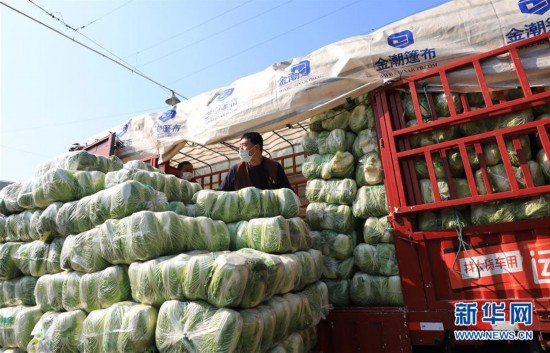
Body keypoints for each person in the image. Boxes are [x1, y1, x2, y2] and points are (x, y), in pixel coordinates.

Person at [218, 132, 292, 191]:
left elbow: (287, 191)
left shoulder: (274, 167)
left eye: (244, 145)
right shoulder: (236, 169)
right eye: (240, 146)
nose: (240, 149)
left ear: (257, 147)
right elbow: (222, 191)